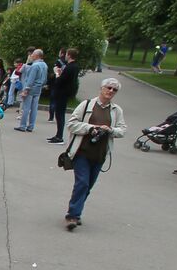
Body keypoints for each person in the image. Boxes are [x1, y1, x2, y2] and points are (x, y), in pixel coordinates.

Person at [63, 78, 127, 229]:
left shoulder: (116, 110)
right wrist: (90, 128)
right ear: (102, 88)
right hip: (82, 152)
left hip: (100, 154)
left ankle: (76, 211)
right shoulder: (86, 105)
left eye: (114, 90)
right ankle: (72, 215)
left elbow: (122, 129)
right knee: (82, 183)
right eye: (109, 88)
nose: (110, 91)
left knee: (88, 185)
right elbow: (72, 124)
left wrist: (110, 130)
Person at [47, 48, 81, 143]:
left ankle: (59, 137)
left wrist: (57, 73)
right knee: (59, 114)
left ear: (69, 55)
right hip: (64, 92)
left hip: (62, 93)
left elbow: (61, 80)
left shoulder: (70, 67)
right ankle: (58, 135)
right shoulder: (73, 66)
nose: (65, 56)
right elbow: (66, 78)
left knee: (59, 114)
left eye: (66, 54)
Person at [14, 49, 47, 132]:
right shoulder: (44, 65)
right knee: (34, 108)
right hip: (38, 88)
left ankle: (23, 125)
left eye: (33, 54)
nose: (31, 56)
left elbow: (30, 79)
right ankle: (31, 126)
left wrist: (26, 89)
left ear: (36, 56)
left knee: (26, 107)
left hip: (31, 88)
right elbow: (44, 79)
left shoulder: (35, 66)